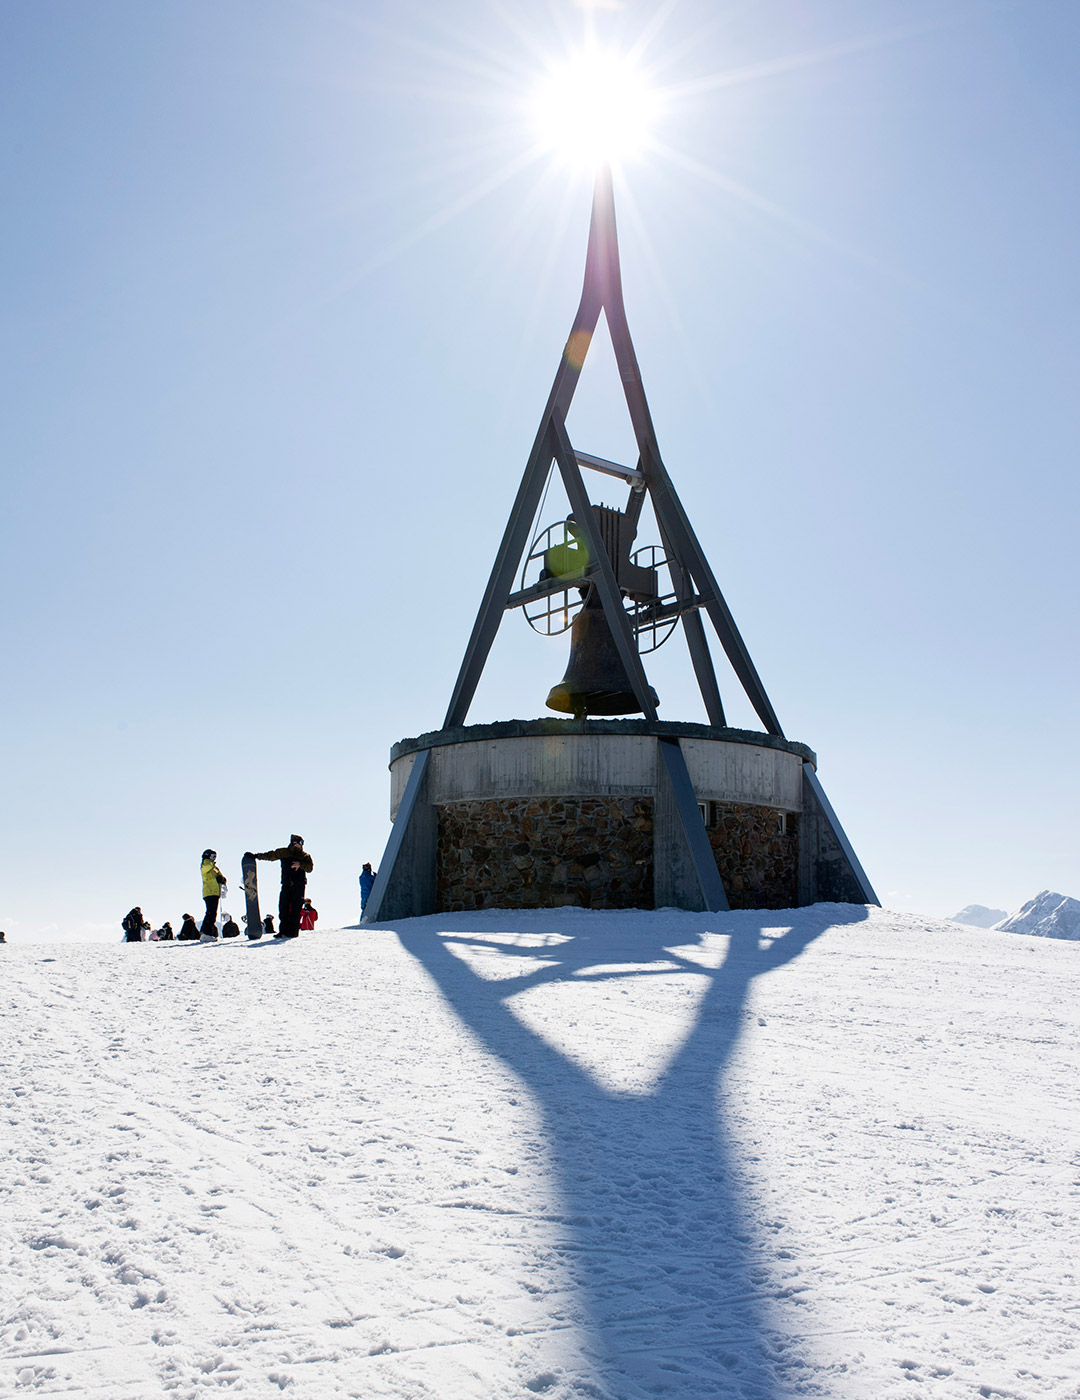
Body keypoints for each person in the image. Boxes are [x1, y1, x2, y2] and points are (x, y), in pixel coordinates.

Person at [249, 836, 313, 940]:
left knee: (295, 909)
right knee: (283, 907)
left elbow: (310, 868)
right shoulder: (284, 852)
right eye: (299, 842)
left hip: (299, 885)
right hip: (286, 884)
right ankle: (283, 931)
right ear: (294, 843)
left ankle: (292, 932)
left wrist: (300, 865)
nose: (301, 845)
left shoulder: (305, 856)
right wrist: (256, 856)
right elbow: (271, 855)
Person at [200, 849, 227, 941]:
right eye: (212, 856)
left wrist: (222, 879)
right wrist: (210, 862)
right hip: (210, 892)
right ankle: (206, 934)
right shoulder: (205, 864)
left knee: (212, 913)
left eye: (215, 856)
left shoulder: (214, 867)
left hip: (215, 892)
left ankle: (206, 933)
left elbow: (220, 876)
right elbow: (207, 867)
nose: (214, 858)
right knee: (210, 913)